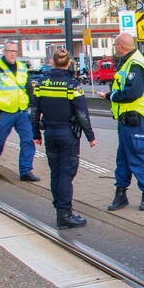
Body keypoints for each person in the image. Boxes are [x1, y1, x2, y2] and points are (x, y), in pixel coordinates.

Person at [30, 48, 97, 228]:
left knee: (56, 173)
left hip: (50, 133)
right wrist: (90, 136)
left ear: (52, 62)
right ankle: (65, 214)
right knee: (67, 174)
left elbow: (34, 111)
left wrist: (35, 133)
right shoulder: (71, 84)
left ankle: (59, 210)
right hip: (68, 134)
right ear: (68, 63)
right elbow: (82, 113)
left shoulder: (42, 83)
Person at [100, 32, 144, 211]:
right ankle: (120, 194)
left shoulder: (136, 65)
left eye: (115, 45)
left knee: (137, 156)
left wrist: (111, 96)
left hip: (136, 118)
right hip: (127, 119)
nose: (114, 49)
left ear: (119, 46)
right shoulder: (129, 62)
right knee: (123, 158)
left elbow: (132, 93)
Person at [0, 41, 39, 183]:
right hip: (3, 113)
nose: (12, 54)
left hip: (21, 112)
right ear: (4, 52)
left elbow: (29, 89)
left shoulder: (22, 68)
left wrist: (36, 109)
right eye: (9, 51)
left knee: (28, 140)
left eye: (14, 51)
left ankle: (25, 171)